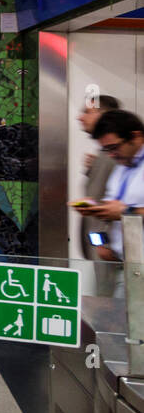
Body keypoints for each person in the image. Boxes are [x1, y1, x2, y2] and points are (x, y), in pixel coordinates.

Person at [76, 109, 144, 297]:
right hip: (126, 267)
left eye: (114, 147)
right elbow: (112, 214)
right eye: (107, 150)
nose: (112, 155)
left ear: (135, 136)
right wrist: (101, 238)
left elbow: (124, 212)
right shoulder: (122, 168)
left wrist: (127, 212)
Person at [78, 95, 119, 295]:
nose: (80, 117)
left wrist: (101, 243)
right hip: (105, 248)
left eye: (87, 112)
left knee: (111, 307)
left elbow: (107, 207)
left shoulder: (113, 156)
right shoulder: (105, 156)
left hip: (109, 251)